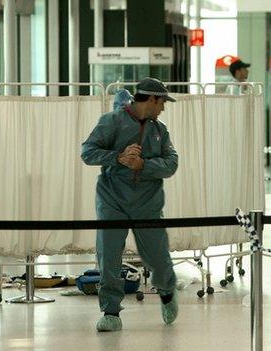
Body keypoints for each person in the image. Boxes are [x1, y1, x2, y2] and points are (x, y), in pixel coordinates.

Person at [81, 77, 179, 332]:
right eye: (162, 102)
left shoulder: (160, 130)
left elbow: (172, 164)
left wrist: (143, 165)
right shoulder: (111, 121)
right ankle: (111, 311)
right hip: (112, 199)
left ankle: (167, 291)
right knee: (109, 255)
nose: (164, 108)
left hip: (148, 201)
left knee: (157, 257)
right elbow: (88, 152)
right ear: (153, 99)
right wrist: (119, 158)